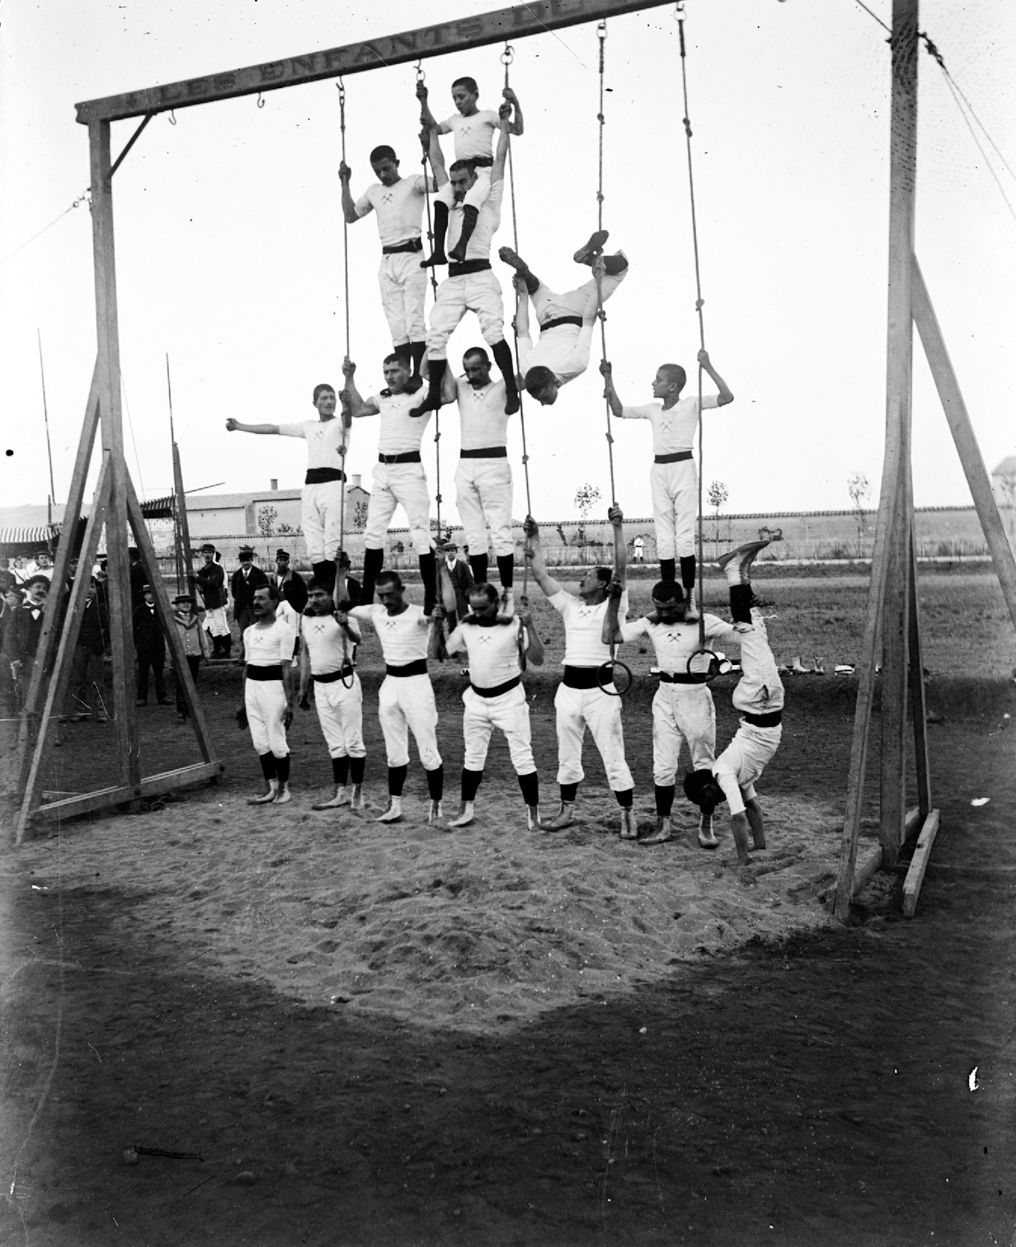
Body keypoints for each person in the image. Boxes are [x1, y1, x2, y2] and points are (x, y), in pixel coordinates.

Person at [522, 508, 638, 838]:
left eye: (588, 576)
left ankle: (627, 813)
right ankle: (567, 810)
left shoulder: (614, 605)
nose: (580, 580)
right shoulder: (570, 605)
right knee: (567, 755)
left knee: (613, 755)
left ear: (604, 585)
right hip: (569, 690)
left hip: (601, 692)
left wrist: (618, 527)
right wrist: (534, 536)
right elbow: (541, 574)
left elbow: (621, 567)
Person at [601, 352, 734, 616]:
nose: (653, 383)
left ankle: (689, 599)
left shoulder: (691, 404)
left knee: (684, 537)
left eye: (658, 380)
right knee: (663, 538)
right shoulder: (652, 409)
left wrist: (707, 366)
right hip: (659, 469)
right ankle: (668, 598)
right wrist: (608, 378)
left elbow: (726, 397)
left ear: (672, 386)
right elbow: (617, 410)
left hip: (683, 467)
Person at [409, 107, 520, 417]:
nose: (458, 187)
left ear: (474, 180)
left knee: (493, 333)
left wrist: (504, 132)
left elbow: (499, 162)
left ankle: (511, 389)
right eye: (455, 183)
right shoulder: (450, 197)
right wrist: (431, 133)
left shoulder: (489, 198)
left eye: (463, 182)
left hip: (481, 275)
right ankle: (433, 394)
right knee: (435, 336)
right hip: (454, 279)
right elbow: (438, 162)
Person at [609, 580, 737, 846]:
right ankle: (663, 825)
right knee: (663, 765)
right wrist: (613, 602)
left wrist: (741, 606)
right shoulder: (651, 622)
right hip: (665, 695)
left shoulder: (704, 621)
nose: (665, 615)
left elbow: (741, 635)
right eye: (659, 609)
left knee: (703, 761)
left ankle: (706, 824)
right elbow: (612, 636)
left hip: (696, 697)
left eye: (669, 609)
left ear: (682, 601)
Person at [682, 540, 784, 866]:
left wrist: (742, 861)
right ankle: (740, 574)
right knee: (756, 632)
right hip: (760, 709)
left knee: (750, 633)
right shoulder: (736, 777)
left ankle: (733, 572)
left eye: (707, 799)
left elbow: (737, 818)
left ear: (708, 787)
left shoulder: (724, 774)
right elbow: (751, 808)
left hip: (760, 702)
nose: (713, 803)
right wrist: (760, 844)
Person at [436, 583, 544, 830]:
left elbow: (538, 659)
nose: (477, 613)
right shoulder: (466, 625)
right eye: (473, 608)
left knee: (523, 758)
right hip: (476, 701)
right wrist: (438, 625)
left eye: (483, 608)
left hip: (509, 701)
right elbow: (442, 653)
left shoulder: (515, 625)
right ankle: (466, 810)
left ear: (497, 603)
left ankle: (533, 815)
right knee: (472, 756)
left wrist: (531, 626)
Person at [225, 383, 350, 590]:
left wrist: (346, 401)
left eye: (332, 398)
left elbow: (348, 418)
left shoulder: (340, 424)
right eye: (324, 398)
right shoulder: (308, 426)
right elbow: (273, 429)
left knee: (332, 542)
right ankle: (322, 591)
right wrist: (240, 426)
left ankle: (334, 591)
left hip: (333, 483)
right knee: (314, 544)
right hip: (311, 486)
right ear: (315, 403)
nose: (329, 402)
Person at [342, 354, 439, 612]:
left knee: (420, 532)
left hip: (409, 470)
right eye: (386, 371)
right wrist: (350, 377)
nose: (390, 376)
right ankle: (365, 598)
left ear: (408, 371)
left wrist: (433, 360)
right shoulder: (383, 398)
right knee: (373, 533)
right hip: (383, 469)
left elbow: (447, 394)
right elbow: (358, 408)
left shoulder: (422, 394)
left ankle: (432, 597)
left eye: (395, 371)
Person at [347, 571, 444, 823]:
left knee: (427, 749)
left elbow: (437, 649)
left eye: (391, 594)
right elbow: (343, 603)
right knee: (394, 751)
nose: (387, 599)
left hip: (417, 686)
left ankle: (436, 805)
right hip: (389, 685)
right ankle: (395, 806)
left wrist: (438, 621)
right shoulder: (376, 612)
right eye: (382, 595)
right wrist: (338, 571)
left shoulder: (420, 613)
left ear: (402, 589)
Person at [338, 144, 436, 379]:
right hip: (388, 258)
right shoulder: (374, 191)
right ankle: (403, 374)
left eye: (387, 168)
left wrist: (430, 147)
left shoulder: (413, 183)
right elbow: (350, 216)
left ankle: (417, 376)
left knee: (414, 319)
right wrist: (345, 183)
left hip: (412, 256)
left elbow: (441, 184)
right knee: (396, 322)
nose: (383, 175)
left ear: (396, 163)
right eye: (378, 171)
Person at [499, 231, 629, 403]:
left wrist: (599, 279)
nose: (544, 403)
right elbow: (523, 331)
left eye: (543, 398)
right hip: (547, 311)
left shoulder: (577, 364)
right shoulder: (526, 369)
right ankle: (529, 276)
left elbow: (588, 318)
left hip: (576, 311)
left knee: (622, 268)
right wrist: (523, 294)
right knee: (536, 289)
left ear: (552, 383)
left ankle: (591, 261)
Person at [437, 345, 518, 608]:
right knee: (473, 534)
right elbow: (441, 385)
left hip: (494, 463)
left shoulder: (504, 386)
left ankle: (507, 591)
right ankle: (481, 589)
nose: (471, 374)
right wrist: (439, 344)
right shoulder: (461, 386)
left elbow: (529, 377)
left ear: (488, 367)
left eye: (476, 369)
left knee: (500, 530)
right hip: (466, 462)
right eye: (467, 369)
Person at [416, 76, 523, 266]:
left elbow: (516, 129)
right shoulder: (454, 121)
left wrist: (514, 103)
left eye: (462, 97)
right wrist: (424, 101)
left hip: (482, 171)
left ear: (475, 95)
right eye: (455, 98)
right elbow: (433, 128)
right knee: (440, 201)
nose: (458, 102)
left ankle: (462, 246)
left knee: (472, 199)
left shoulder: (488, 116)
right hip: (462, 173)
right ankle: (439, 251)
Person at [298, 580, 367, 811]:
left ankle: (358, 792)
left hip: (344, 684)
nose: (314, 600)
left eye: (319, 594)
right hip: (320, 687)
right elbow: (305, 653)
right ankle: (340, 792)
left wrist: (345, 624)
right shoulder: (305, 619)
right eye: (310, 595)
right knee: (335, 744)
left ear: (331, 595)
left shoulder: (345, 617)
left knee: (353, 742)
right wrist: (302, 687)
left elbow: (358, 639)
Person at [243, 583, 297, 806]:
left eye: (262, 598)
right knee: (260, 743)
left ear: (274, 602)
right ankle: (271, 787)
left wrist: (290, 703)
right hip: (252, 690)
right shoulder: (249, 631)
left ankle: (284, 789)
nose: (256, 602)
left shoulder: (283, 630)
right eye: (255, 598)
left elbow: (286, 668)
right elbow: (247, 668)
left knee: (276, 742)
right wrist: (241, 701)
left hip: (273, 689)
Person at [2, 574, 50, 706]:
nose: (41, 590)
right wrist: (15, 658)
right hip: (26, 659)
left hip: (47, 659)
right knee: (28, 695)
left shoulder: (52, 611)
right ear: (29, 589)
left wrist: (48, 609)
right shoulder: (19, 610)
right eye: (37, 587)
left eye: (44, 588)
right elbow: (9, 637)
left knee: (45, 695)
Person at [66, 580, 110, 721]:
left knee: (98, 679)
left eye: (92, 587)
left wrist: (104, 646)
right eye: (86, 587)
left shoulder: (100, 607)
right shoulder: (74, 607)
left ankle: (101, 710)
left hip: (95, 647)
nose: (90, 590)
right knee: (79, 678)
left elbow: (108, 628)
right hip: (79, 646)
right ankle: (80, 709)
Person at [170, 593, 209, 720]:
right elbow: (169, 639)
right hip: (180, 656)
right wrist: (171, 655)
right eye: (182, 603)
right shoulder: (173, 620)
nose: (186, 605)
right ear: (177, 606)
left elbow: (202, 637)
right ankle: (181, 709)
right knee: (181, 683)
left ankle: (192, 708)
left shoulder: (195, 619)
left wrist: (206, 652)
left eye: (188, 602)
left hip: (194, 655)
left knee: (193, 681)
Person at [132, 583, 170, 707]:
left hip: (158, 647)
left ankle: (162, 696)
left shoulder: (161, 609)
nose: (151, 596)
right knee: (143, 672)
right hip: (144, 648)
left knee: (159, 672)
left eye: (153, 593)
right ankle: (142, 697)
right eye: (148, 594)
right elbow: (133, 629)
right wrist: (137, 644)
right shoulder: (138, 610)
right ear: (144, 596)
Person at [230, 547, 270, 662]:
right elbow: (234, 593)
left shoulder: (259, 574)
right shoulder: (237, 575)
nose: (245, 563)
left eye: (248, 560)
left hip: (256, 609)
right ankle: (244, 657)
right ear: (240, 562)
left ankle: (260, 655)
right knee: (244, 633)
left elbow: (265, 590)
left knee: (258, 631)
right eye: (243, 561)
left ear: (251, 560)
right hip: (241, 609)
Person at [195, 543, 231, 658]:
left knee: (222, 627)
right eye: (205, 552)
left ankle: (227, 651)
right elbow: (200, 583)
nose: (207, 555)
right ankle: (217, 650)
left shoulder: (217, 569)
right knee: (213, 628)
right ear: (202, 554)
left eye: (210, 552)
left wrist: (198, 579)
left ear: (213, 554)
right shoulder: (203, 570)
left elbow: (213, 583)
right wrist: (196, 579)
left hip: (218, 603)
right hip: (209, 603)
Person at [436, 539, 475, 629]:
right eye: (448, 551)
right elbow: (439, 583)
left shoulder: (462, 565)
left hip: (461, 595)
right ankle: (453, 638)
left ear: (456, 552)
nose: (450, 553)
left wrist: (466, 594)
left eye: (452, 550)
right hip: (448, 597)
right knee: (451, 621)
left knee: (464, 619)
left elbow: (470, 582)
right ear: (445, 553)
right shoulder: (442, 567)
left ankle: (465, 637)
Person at [273, 548, 309, 616]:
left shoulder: (295, 577)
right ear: (277, 561)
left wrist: (299, 608)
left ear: (288, 562)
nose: (282, 563)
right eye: (280, 560)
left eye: (285, 560)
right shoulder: (273, 578)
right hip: (278, 608)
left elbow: (303, 593)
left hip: (292, 609)